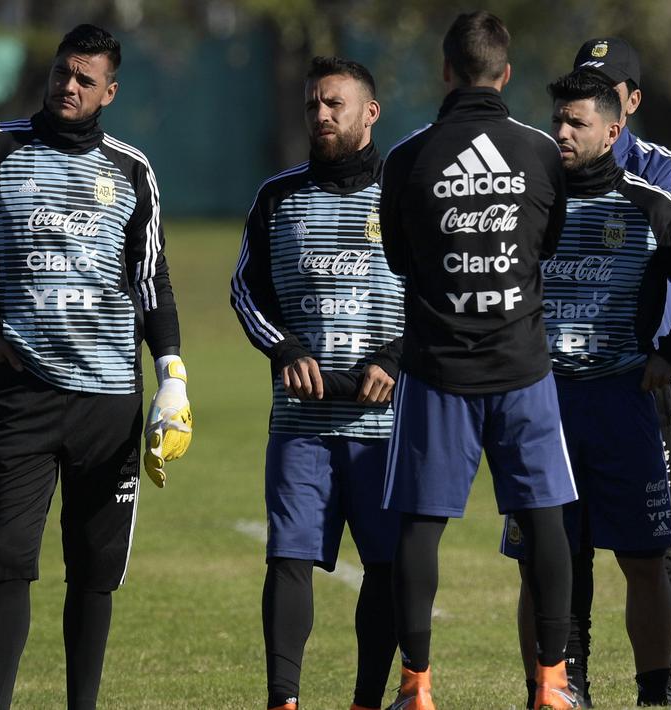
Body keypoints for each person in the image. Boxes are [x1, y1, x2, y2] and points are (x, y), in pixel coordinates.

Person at [0, 24, 191, 710]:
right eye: (63, 72)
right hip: (20, 396)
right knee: (8, 561)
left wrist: (172, 377)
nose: (69, 86)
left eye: (85, 80)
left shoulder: (131, 170)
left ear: (109, 92)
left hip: (109, 404)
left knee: (93, 572)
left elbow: (150, 282)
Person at [377, 11, 578, 709]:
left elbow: (398, 259)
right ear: (506, 73)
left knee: (419, 524)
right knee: (545, 518)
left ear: (445, 70)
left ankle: (417, 687)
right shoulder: (539, 152)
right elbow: (546, 245)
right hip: (523, 366)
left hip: (437, 370)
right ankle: (552, 685)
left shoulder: (407, 157)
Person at [510, 68, 671, 708]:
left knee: (643, 557)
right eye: (558, 120)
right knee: (544, 559)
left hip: (621, 404)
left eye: (577, 122)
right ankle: (557, 689)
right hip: (543, 407)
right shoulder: (527, 203)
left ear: (612, 130)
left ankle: (654, 693)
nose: (562, 132)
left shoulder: (650, 206)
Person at [230, 56, 403, 710]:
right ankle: (283, 701)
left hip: (384, 424)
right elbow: (245, 290)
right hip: (300, 423)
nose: (321, 115)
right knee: (288, 557)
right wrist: (284, 348)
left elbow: (441, 294)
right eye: (312, 105)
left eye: (334, 104)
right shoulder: (277, 197)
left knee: (385, 565)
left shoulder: (405, 193)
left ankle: (365, 701)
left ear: (370, 112)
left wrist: (395, 360)